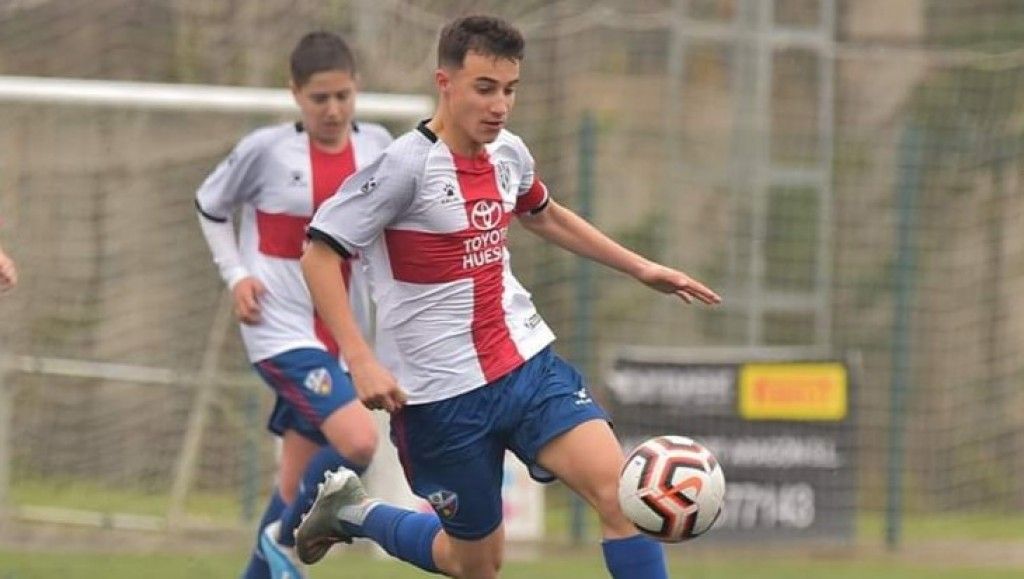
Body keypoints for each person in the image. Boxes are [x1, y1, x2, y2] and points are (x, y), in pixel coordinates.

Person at [297, 15, 720, 579]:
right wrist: (360, 358)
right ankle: (353, 511)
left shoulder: (508, 153)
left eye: (510, 90)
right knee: (474, 563)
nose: (500, 105)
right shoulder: (405, 167)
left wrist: (641, 268)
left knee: (622, 498)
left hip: (525, 366)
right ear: (445, 83)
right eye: (485, 88)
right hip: (440, 399)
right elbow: (319, 253)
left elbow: (545, 216)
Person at [195, 31, 391, 579]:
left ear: (358, 90)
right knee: (357, 440)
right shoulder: (265, 150)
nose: (333, 110)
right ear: (295, 95)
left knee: (291, 486)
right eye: (319, 98)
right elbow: (210, 206)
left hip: (338, 335)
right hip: (277, 329)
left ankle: (271, 553)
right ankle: (287, 540)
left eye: (343, 96)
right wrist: (236, 276)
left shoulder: (378, 145)